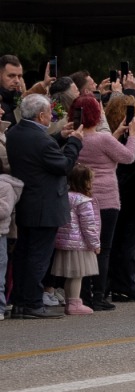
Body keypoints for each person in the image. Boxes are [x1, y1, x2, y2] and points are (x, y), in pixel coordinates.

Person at [9, 93, 83, 317]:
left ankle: (21, 301)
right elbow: (63, 165)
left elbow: (39, 154)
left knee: (23, 254)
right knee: (38, 257)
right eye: (49, 113)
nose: (51, 116)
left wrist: (60, 137)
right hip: (44, 204)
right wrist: (74, 143)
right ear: (41, 116)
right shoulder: (40, 140)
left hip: (26, 202)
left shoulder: (15, 133)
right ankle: (32, 302)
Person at [72, 94, 135, 310]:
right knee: (104, 248)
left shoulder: (75, 138)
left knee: (83, 246)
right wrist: (133, 135)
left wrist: (116, 133)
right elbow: (127, 156)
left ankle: (82, 294)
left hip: (81, 198)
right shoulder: (103, 139)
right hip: (107, 198)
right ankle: (98, 294)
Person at [52, 164, 102, 315]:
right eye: (90, 180)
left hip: (65, 241)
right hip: (79, 243)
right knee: (77, 275)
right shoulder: (83, 201)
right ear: (84, 182)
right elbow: (88, 226)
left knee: (71, 276)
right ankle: (74, 303)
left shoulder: (64, 196)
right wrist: (95, 244)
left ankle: (70, 301)